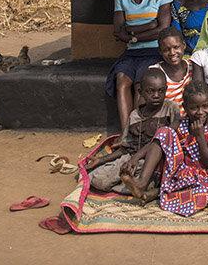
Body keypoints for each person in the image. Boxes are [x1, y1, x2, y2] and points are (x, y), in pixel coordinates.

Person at [39, 69, 179, 234]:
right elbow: (126, 147)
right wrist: (102, 160)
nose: (156, 95)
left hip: (156, 161)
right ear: (140, 92)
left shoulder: (171, 109)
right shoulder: (134, 116)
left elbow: (168, 136)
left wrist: (135, 159)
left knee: (154, 176)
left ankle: (142, 186)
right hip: (132, 157)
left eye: (161, 91)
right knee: (98, 180)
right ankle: (138, 187)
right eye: (151, 91)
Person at [120, 81, 208, 216]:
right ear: (185, 107)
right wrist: (136, 157)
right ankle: (142, 183)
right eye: (194, 107)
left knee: (202, 196)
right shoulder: (180, 124)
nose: (200, 112)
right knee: (164, 131)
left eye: (205, 106)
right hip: (178, 173)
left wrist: (200, 137)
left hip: (200, 177)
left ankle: (155, 193)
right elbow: (157, 140)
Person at [106, 0, 173, 136]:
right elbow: (118, 31)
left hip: (153, 51)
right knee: (121, 80)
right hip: (131, 53)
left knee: (140, 85)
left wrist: (132, 34)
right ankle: (125, 132)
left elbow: (162, 30)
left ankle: (138, 131)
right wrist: (149, 25)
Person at [149, 27, 196, 116]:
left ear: (184, 45)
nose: (172, 53)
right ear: (160, 51)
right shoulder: (155, 72)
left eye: (176, 47)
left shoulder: (193, 67)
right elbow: (145, 105)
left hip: (190, 123)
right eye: (166, 50)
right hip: (165, 124)